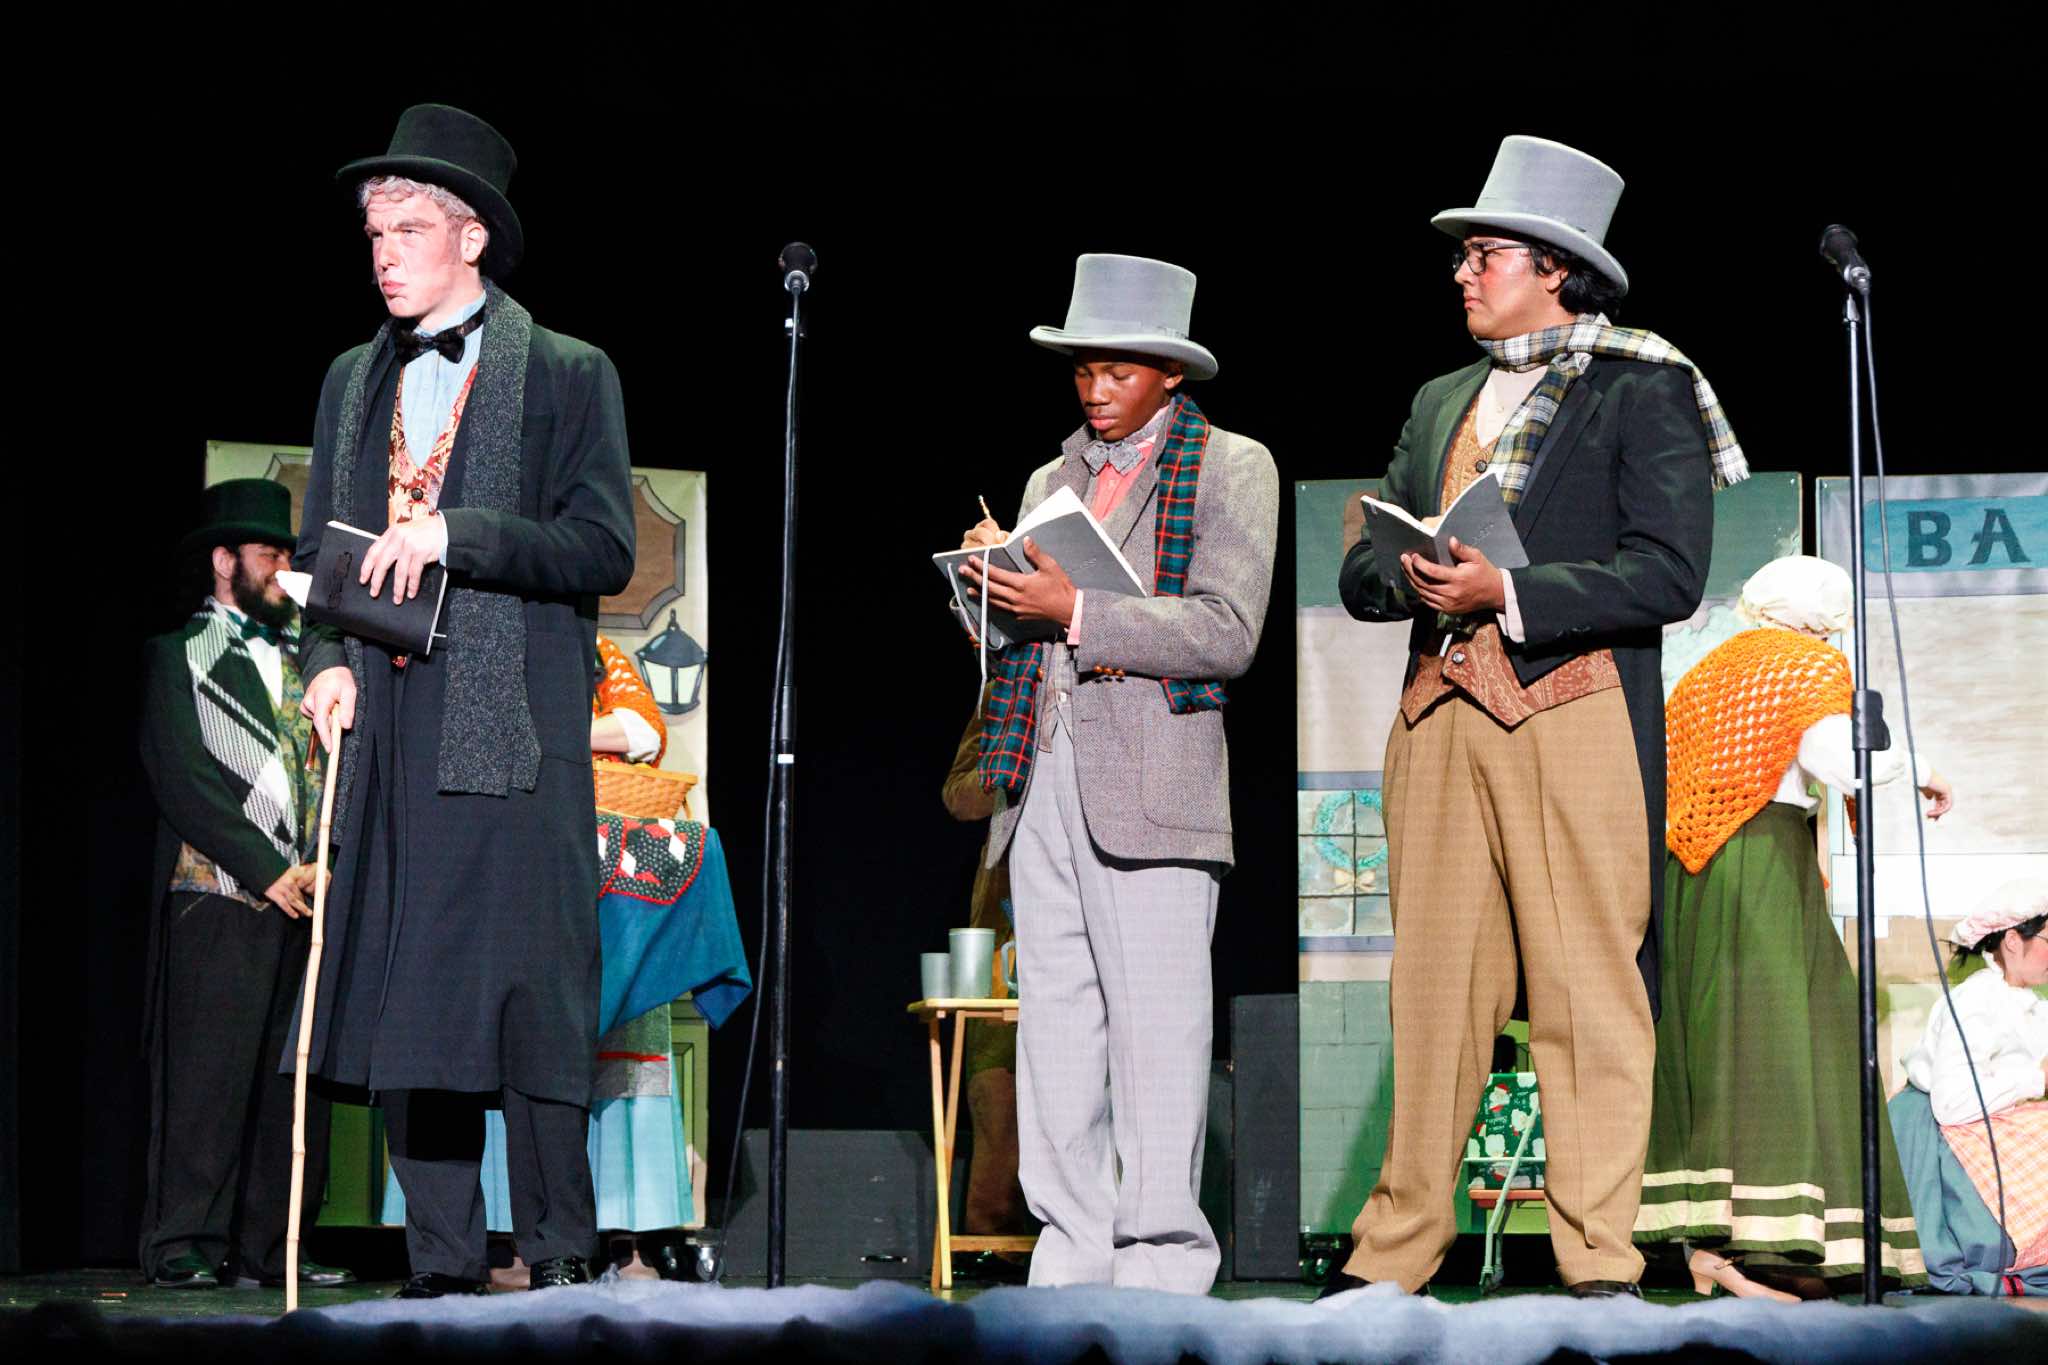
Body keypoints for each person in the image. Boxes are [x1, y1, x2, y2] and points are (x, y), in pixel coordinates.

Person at [1329, 137, 1742, 1299]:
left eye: (1486, 254)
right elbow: (1363, 559)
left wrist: (1505, 590)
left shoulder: (1641, 382)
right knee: (1433, 994)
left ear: (1555, 268)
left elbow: (1667, 572)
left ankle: (1597, 1258)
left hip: (1570, 706)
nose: (1462, 272)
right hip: (1437, 715)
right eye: (1463, 255)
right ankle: (1394, 1253)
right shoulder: (1439, 399)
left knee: (1582, 993)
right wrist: (1409, 575)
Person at [292, 104, 635, 1298]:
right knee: (411, 997)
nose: (384, 255)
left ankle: (561, 1250)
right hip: (390, 726)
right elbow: (321, 555)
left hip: (511, 724)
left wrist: (459, 533)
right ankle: (440, 1260)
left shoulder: (568, 372)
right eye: (374, 234)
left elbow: (602, 547)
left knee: (532, 996)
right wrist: (323, 659)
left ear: (472, 237)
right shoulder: (351, 381)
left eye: (409, 230)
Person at [956, 253, 1278, 1293]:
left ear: (1170, 373)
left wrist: (1077, 610)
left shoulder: (1233, 467)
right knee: (1055, 1026)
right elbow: (1014, 643)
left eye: (1118, 372)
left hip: (1154, 782)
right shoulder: (1047, 481)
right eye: (1083, 369)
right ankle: (1072, 1251)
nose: (1095, 390)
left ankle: (1161, 1259)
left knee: (1159, 1031)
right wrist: (984, 591)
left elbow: (1227, 631)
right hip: (1040, 775)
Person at [1637, 555, 1945, 1297]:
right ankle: (1771, 1241)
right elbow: (1839, 759)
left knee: (1713, 1044)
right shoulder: (1805, 664)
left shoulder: (1707, 671)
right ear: (1822, 617)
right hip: (1761, 860)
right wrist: (1921, 767)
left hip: (1689, 874)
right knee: (1784, 1040)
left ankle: (1711, 1245)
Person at [137, 478, 353, 1292]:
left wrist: (323, 859)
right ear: (224, 561)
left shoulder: (308, 659)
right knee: (207, 1076)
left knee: (292, 1081)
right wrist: (268, 869)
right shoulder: (178, 653)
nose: (283, 566)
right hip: (220, 895)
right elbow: (182, 778)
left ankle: (277, 1245)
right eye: (270, 554)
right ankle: (184, 1238)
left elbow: (332, 768)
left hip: (306, 895)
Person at [1900, 880, 2048, 1278]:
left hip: (1997, 1122)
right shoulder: (1976, 1000)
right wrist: (2037, 1079)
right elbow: (1953, 1103)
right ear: (2013, 941)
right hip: (1949, 1132)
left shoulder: (2033, 1005)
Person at [940, 696, 1031, 1266]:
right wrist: (1007, 773)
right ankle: (994, 1237)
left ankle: (1085, 1230)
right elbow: (957, 795)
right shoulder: (1001, 695)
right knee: (996, 1080)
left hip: (1088, 889)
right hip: (1007, 913)